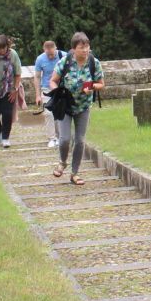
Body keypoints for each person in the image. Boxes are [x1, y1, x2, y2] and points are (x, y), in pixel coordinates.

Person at [49, 31, 103, 185]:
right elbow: (53, 80)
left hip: (84, 106)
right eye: (81, 48)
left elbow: (101, 83)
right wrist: (56, 91)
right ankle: (62, 162)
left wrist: (91, 86)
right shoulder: (65, 62)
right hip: (65, 106)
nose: (85, 50)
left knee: (79, 141)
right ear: (73, 49)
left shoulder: (94, 62)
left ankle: (75, 173)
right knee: (65, 139)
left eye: (87, 47)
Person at [32, 39, 63, 148]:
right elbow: (37, 77)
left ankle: (60, 137)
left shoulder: (63, 56)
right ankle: (51, 138)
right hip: (46, 89)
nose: (50, 56)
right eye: (47, 54)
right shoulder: (40, 59)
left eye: (52, 54)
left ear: (55, 48)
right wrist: (37, 95)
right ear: (44, 50)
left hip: (60, 88)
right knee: (49, 113)